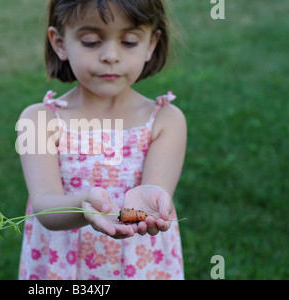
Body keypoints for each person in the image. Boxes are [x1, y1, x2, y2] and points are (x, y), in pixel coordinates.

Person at [17, 0, 187, 280]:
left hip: (141, 265)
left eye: (129, 41)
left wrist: (150, 201)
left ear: (152, 44)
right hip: (63, 268)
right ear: (59, 43)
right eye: (91, 41)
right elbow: (44, 204)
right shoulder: (38, 121)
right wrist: (84, 206)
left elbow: (157, 188)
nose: (110, 55)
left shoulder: (166, 120)